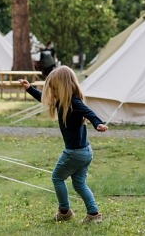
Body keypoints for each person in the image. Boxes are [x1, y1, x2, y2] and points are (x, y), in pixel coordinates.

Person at [20, 66, 108, 224]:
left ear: (63, 87)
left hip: (74, 153)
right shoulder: (64, 101)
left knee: (57, 178)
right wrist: (29, 89)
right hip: (85, 152)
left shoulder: (74, 102)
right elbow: (45, 99)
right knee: (79, 184)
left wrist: (98, 124)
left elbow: (89, 113)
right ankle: (93, 214)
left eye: (54, 88)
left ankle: (64, 211)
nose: (51, 92)